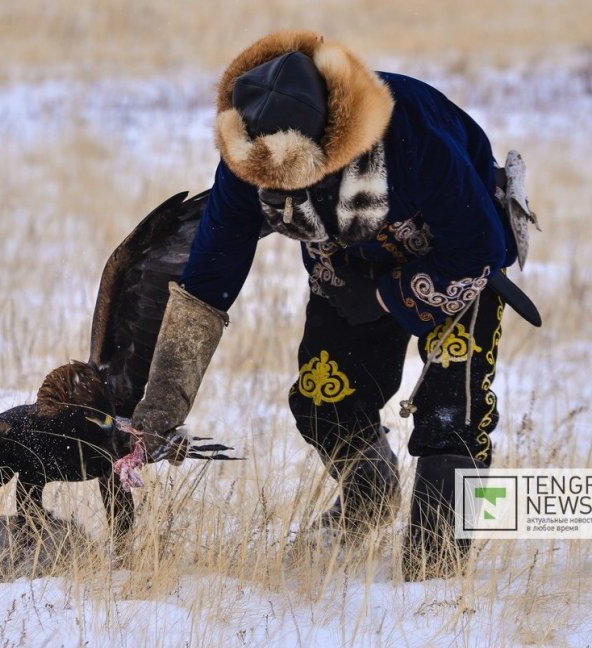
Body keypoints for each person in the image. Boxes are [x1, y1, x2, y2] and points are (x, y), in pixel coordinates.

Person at [129, 30, 534, 581]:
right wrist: (160, 411)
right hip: (345, 267)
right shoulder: (245, 157)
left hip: (458, 260)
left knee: (450, 418)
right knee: (323, 400)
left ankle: (438, 579)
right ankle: (367, 496)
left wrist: (388, 298)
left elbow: (478, 246)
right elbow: (207, 281)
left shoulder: (411, 131)